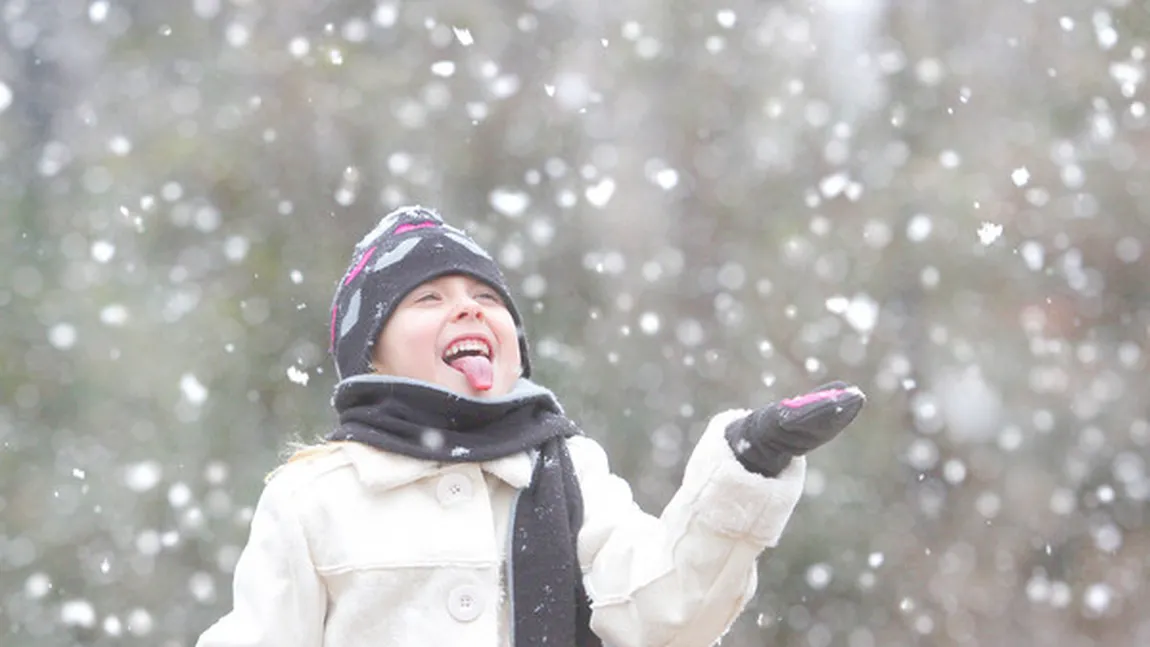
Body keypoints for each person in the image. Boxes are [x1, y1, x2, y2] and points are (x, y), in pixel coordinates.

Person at [195, 205, 866, 647]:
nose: (467, 311)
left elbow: (664, 612)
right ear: (370, 351)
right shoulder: (317, 496)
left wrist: (745, 468)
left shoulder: (565, 471)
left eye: (486, 299)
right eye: (428, 298)